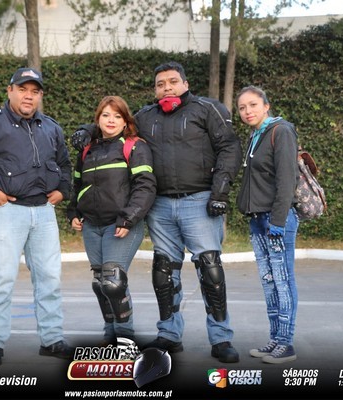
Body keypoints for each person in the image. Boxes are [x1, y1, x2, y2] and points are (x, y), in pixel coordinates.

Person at [72, 61, 243, 362]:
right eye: (161, 84)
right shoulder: (145, 116)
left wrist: (220, 192)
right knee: (164, 272)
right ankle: (169, 334)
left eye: (173, 82)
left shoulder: (207, 109)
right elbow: (115, 121)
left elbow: (229, 147)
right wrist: (86, 130)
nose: (167, 88)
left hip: (199, 201)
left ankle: (221, 338)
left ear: (185, 84)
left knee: (210, 269)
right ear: (155, 89)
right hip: (160, 205)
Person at [0, 67, 74, 366]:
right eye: (23, 89)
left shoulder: (51, 127)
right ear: (10, 90)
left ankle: (52, 339)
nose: (28, 96)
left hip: (44, 213)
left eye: (35, 91)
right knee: (2, 278)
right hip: (6, 211)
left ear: (40, 96)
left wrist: (63, 189)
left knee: (49, 278)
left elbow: (64, 163)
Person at [67, 96, 156, 346]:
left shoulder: (135, 147)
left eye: (117, 116)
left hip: (120, 225)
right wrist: (73, 213)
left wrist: (128, 219)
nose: (111, 120)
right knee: (100, 284)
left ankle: (125, 336)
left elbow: (145, 187)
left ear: (126, 121)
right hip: (91, 226)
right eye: (106, 115)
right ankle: (110, 334)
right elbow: (77, 184)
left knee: (113, 281)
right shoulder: (87, 150)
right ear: (98, 119)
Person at [235, 85, 300, 364]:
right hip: (258, 219)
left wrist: (278, 221)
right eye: (242, 107)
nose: (247, 111)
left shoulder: (280, 131)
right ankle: (275, 339)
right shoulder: (256, 135)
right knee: (269, 282)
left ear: (266, 106)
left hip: (276, 221)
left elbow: (287, 180)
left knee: (283, 281)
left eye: (253, 105)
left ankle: (286, 343)